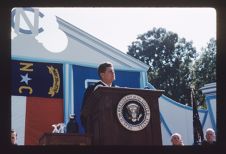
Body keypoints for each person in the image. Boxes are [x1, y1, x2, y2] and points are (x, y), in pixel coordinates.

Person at [80, 62, 116, 132]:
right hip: (97, 130)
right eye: (110, 71)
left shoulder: (117, 90)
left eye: (113, 71)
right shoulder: (92, 89)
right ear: (102, 75)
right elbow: (85, 112)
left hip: (114, 129)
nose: (113, 73)